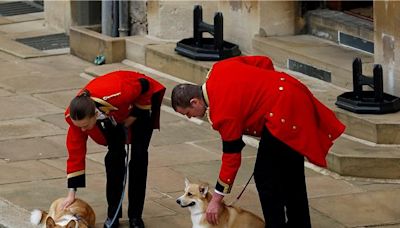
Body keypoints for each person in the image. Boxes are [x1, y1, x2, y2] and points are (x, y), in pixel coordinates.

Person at [171, 55, 345, 227]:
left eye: (187, 113)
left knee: (265, 178)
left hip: (283, 115)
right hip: (291, 90)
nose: (190, 118)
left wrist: (216, 200)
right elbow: (264, 61)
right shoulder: (218, 69)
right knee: (291, 172)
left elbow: (231, 158)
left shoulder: (222, 113)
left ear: (194, 102)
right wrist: (266, 90)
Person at [61, 70, 165, 228]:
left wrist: (132, 117)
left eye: (85, 126)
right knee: (114, 160)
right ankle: (113, 214)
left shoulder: (119, 92)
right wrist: (71, 193)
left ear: (94, 115)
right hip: (114, 117)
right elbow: (76, 153)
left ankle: (136, 216)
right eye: (79, 127)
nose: (83, 131)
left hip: (139, 106)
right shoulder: (75, 118)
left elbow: (145, 86)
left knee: (138, 159)